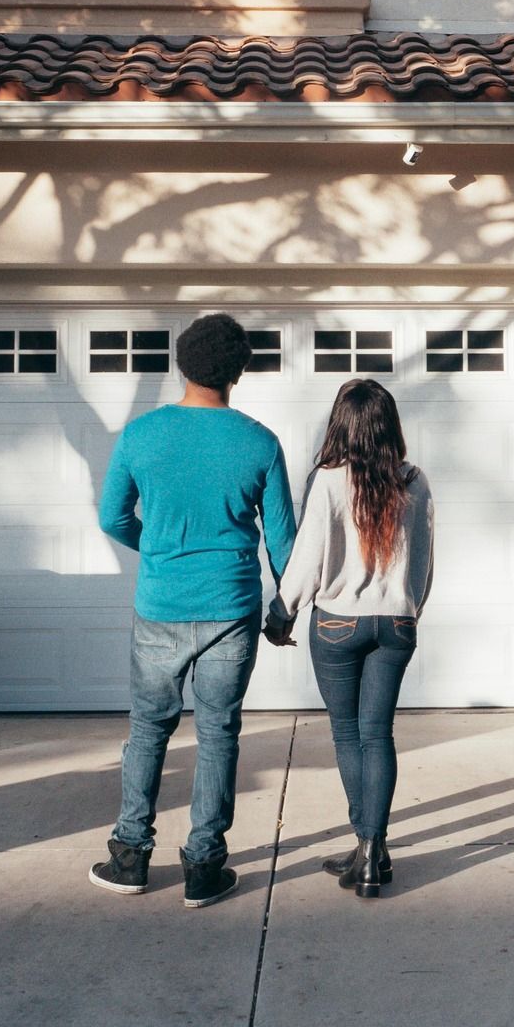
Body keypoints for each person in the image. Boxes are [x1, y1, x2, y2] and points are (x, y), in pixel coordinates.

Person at [91, 313, 296, 908]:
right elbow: (284, 543)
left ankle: (130, 856)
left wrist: (154, 547)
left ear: (181, 365)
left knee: (148, 730)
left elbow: (111, 518)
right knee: (218, 733)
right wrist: (285, 609)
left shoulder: (141, 435)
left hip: (160, 605)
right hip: (231, 609)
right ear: (239, 371)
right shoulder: (259, 441)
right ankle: (205, 866)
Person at [265, 377, 433, 898]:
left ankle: (365, 848)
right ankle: (371, 849)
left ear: (341, 424)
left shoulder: (331, 479)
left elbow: (308, 557)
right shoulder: (415, 479)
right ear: (389, 425)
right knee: (377, 735)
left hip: (338, 623)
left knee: (347, 735)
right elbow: (424, 560)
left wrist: (281, 611)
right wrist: (409, 609)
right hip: (396, 624)